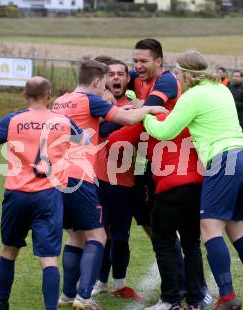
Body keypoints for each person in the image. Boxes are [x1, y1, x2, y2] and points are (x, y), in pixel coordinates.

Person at [143, 51, 243, 310]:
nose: (177, 77)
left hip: (223, 161)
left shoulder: (191, 96)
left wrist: (146, 113)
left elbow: (164, 131)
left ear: (186, 74)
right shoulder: (221, 89)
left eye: (179, 73)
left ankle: (226, 297)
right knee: (238, 231)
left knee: (210, 229)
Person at [51, 60, 166, 310]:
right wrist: (150, 109)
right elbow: (126, 117)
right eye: (104, 81)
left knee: (75, 236)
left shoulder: (61, 100)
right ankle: (84, 296)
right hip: (80, 175)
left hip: (56, 177)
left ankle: (67, 295)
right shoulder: (90, 100)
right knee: (98, 236)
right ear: (96, 82)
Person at [0, 77, 89, 310]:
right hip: (49, 195)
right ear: (49, 96)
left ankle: (3, 303)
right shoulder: (63, 121)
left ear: (25, 96)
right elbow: (84, 141)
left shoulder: (13, 120)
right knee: (48, 259)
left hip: (16, 195)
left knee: (9, 249)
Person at [107, 112, 206, 310]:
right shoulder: (185, 116)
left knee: (163, 243)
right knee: (192, 244)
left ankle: (171, 300)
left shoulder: (150, 117)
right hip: (197, 184)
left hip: (169, 187)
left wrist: (139, 122)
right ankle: (196, 301)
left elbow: (114, 141)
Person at [92, 57, 145, 300]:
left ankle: (120, 284)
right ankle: (101, 282)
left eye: (120, 74)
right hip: (99, 180)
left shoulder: (135, 103)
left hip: (126, 181)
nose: (115, 77)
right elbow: (101, 131)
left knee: (121, 236)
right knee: (101, 235)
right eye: (110, 74)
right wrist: (130, 113)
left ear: (127, 78)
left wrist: (138, 109)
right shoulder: (98, 104)